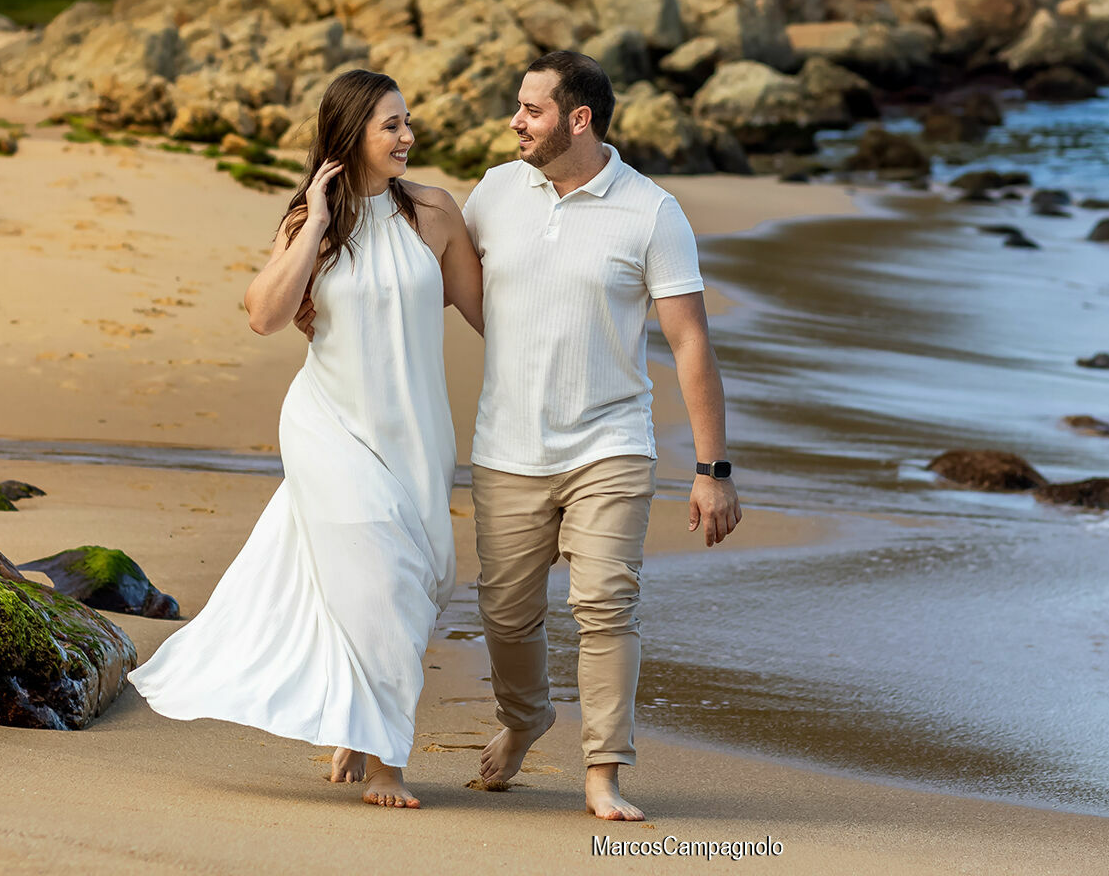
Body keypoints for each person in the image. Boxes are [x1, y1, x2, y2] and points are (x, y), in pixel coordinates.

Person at [130, 68, 483, 810]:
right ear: (350, 134)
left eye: (408, 121)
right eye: (391, 124)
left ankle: (355, 720)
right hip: (329, 426)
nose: (408, 135)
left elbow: (490, 316)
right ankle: (386, 762)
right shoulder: (310, 223)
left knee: (413, 582)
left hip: (416, 435)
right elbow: (264, 315)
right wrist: (318, 219)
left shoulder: (436, 212)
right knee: (383, 581)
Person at [463, 50, 742, 821]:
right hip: (507, 446)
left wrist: (712, 469)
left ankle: (602, 771)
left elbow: (690, 342)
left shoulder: (651, 212)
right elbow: (436, 274)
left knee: (607, 607)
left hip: (609, 446)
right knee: (504, 613)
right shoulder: (494, 191)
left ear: (578, 119)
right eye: (519, 108)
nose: (515, 122)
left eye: (532, 110)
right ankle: (526, 717)